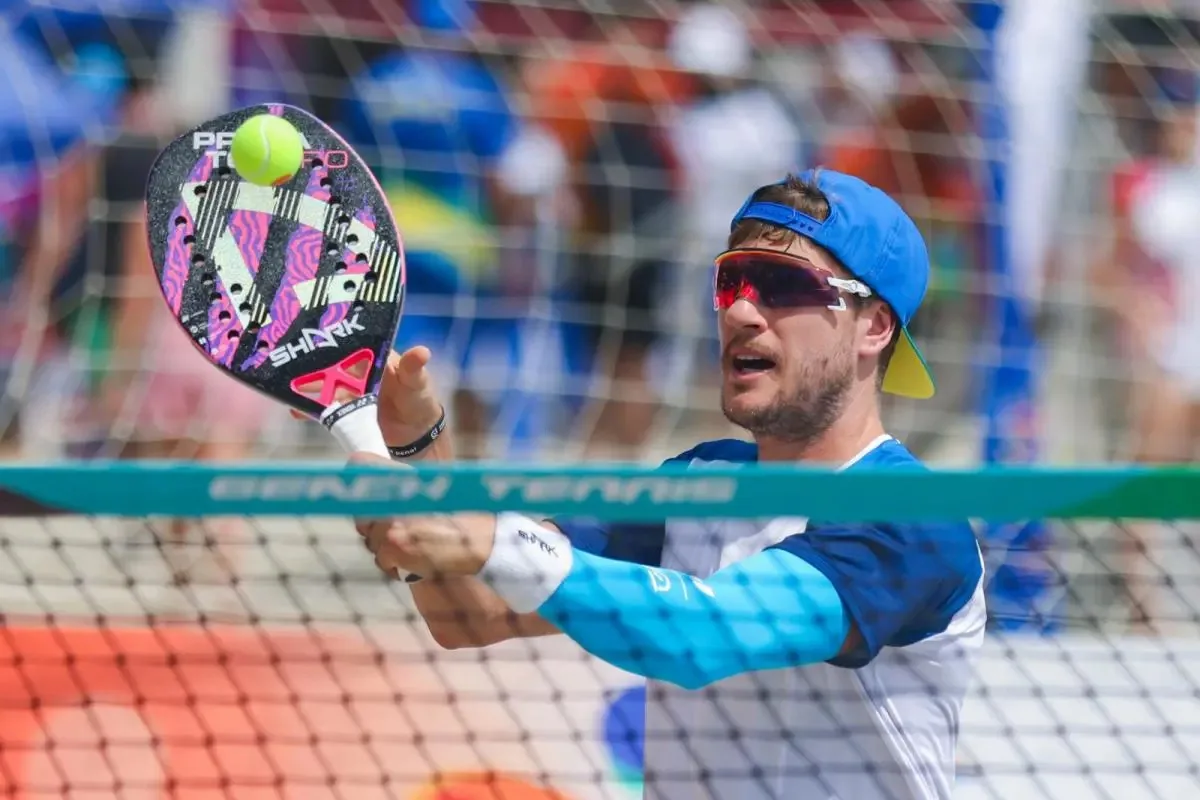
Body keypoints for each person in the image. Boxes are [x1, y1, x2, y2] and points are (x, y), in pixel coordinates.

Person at [349, 170, 985, 799]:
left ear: (874, 326)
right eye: (731, 281)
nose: (740, 310)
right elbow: (476, 614)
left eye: (784, 286)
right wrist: (420, 450)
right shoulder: (697, 481)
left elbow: (701, 633)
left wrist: (490, 540)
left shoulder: (911, 515)